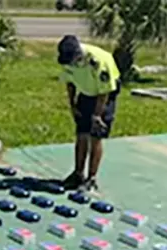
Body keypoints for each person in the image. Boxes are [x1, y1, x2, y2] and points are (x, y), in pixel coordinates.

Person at [56, 35, 121, 192]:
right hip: (86, 92)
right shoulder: (68, 60)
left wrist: (97, 115)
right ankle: (78, 174)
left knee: (95, 135)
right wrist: (72, 105)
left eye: (72, 60)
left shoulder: (98, 62)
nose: (70, 64)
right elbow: (70, 83)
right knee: (81, 133)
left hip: (105, 94)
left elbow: (104, 92)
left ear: (79, 54)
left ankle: (91, 178)